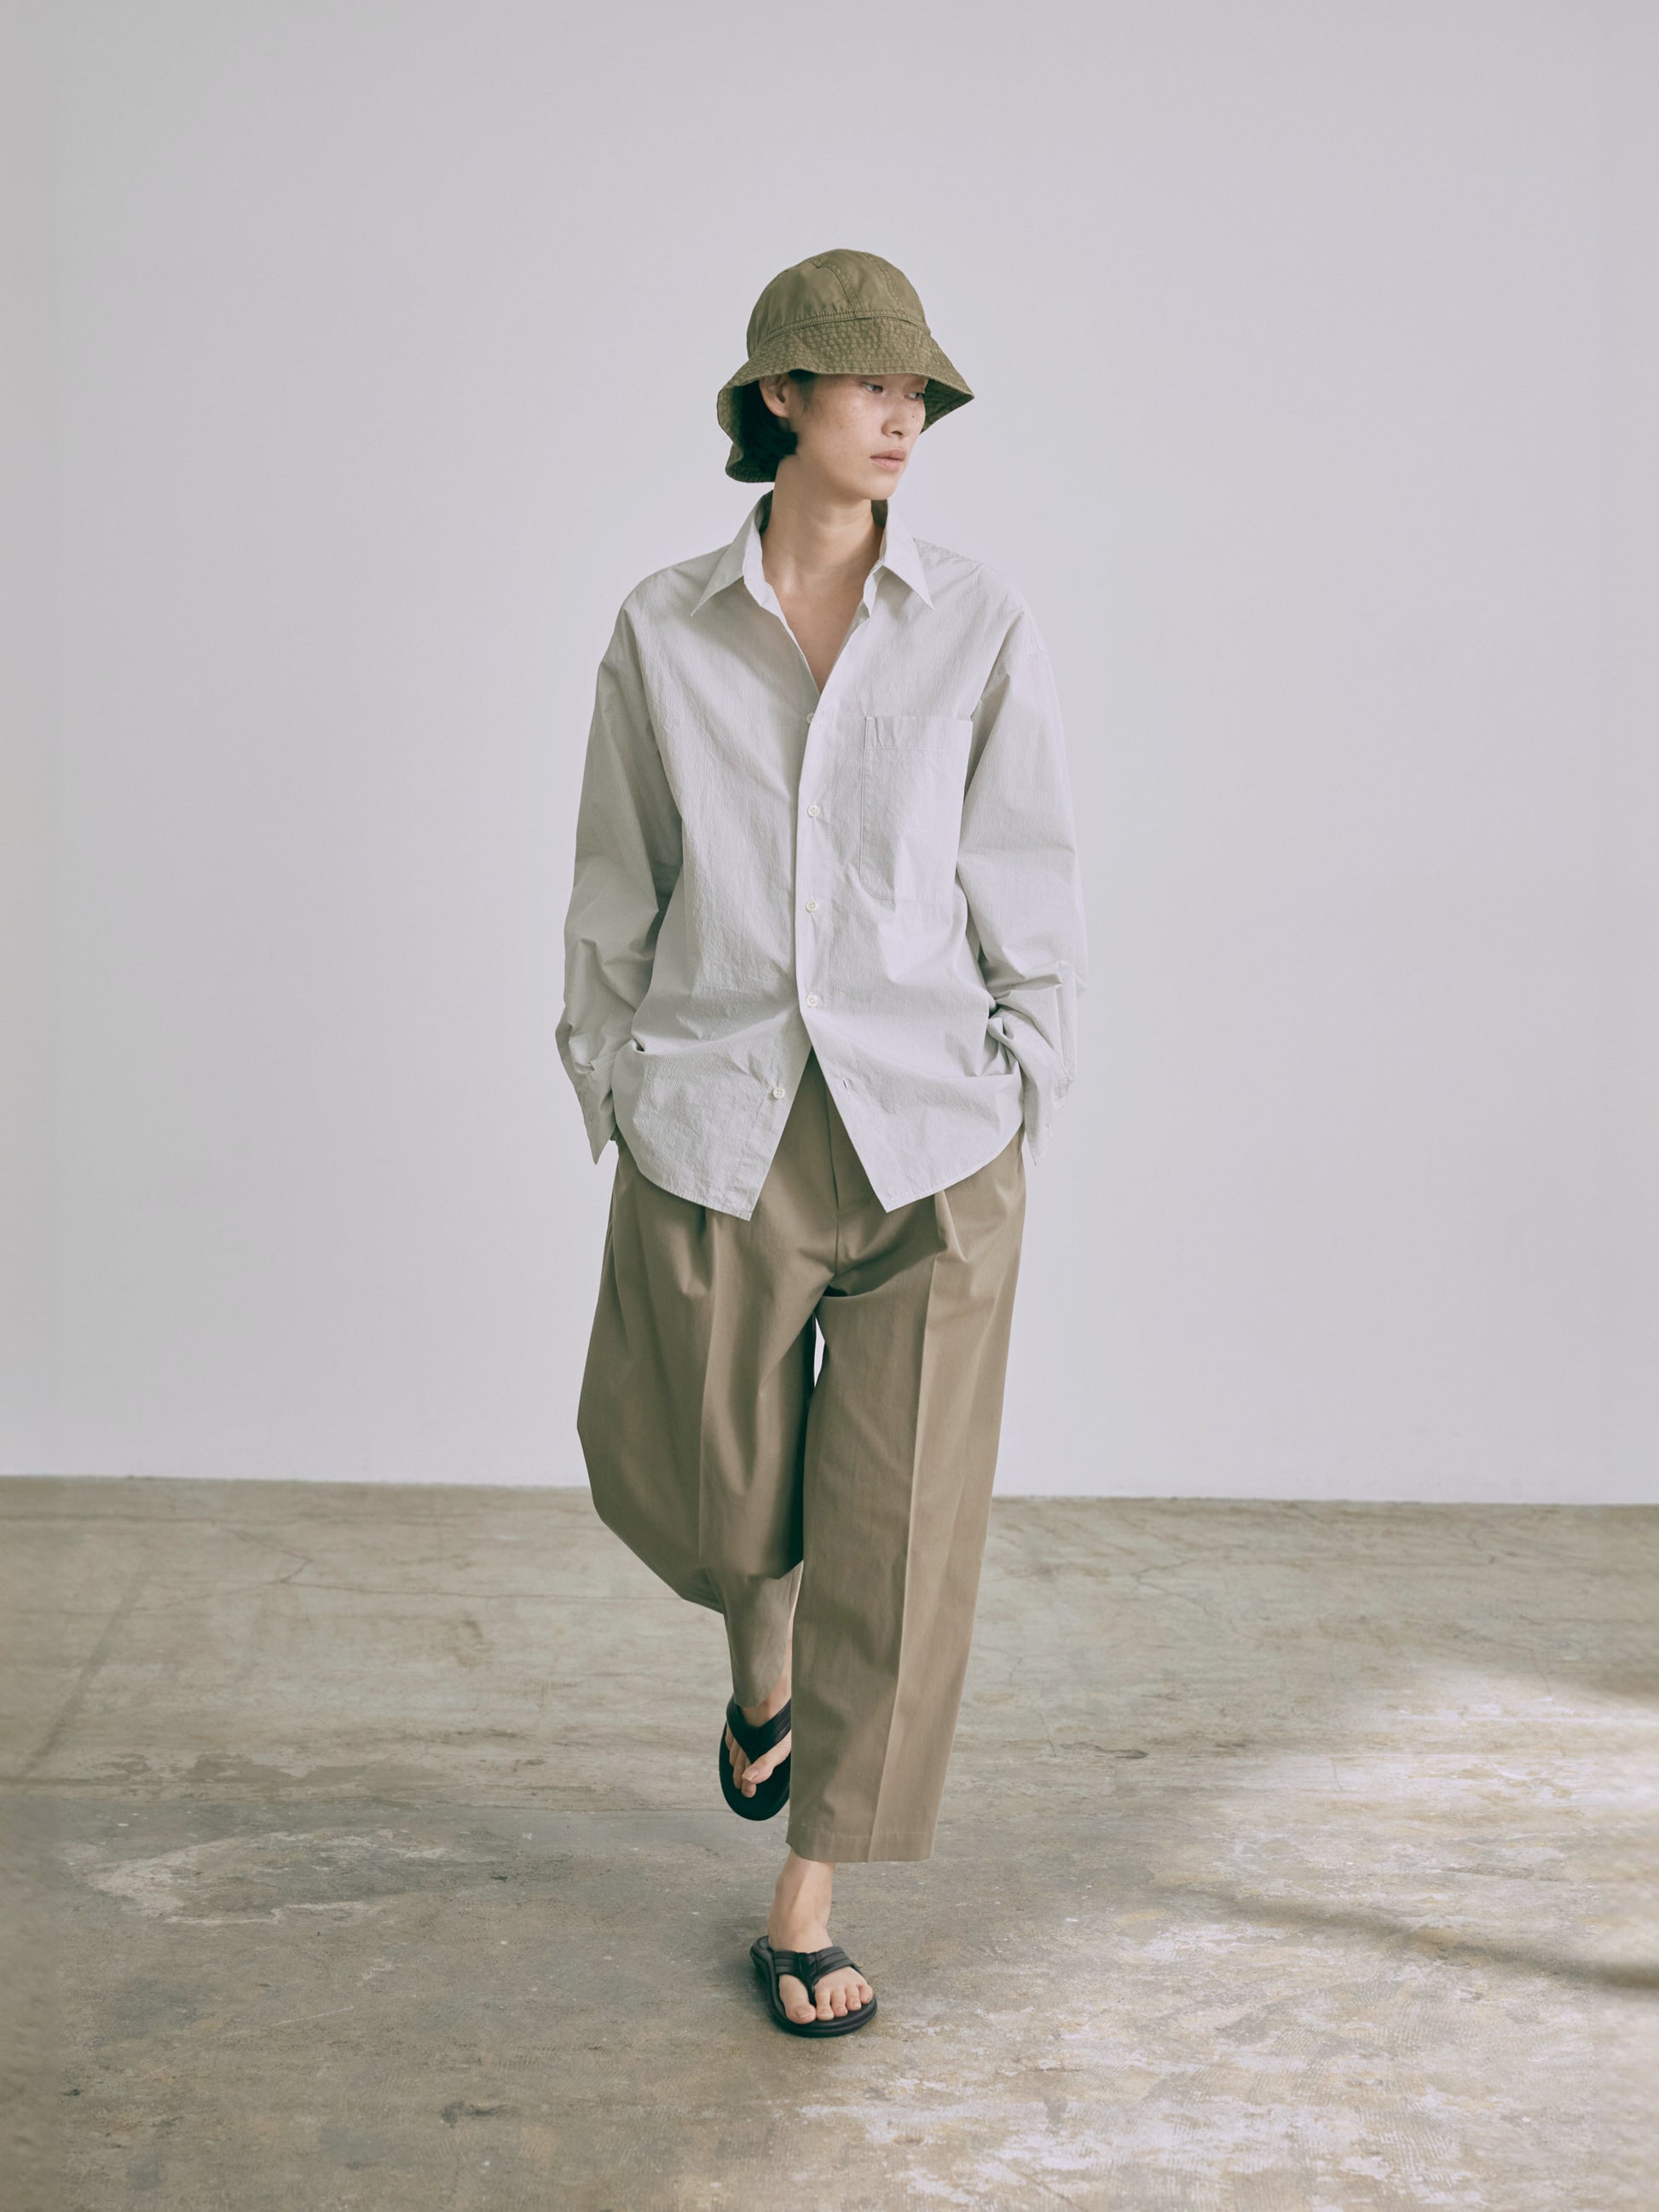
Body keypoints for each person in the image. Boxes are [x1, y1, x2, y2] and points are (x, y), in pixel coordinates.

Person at [556, 248, 1086, 2037]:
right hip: (721, 1113)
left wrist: (1027, 1072)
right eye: (868, 382)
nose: (901, 415)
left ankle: (807, 1887)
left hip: (933, 1126)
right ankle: (758, 1658)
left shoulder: (978, 620)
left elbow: (1027, 866)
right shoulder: (662, 628)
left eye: (918, 390)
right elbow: (618, 874)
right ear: (778, 395)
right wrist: (610, 1076)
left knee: (899, 1524)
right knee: (709, 1486)